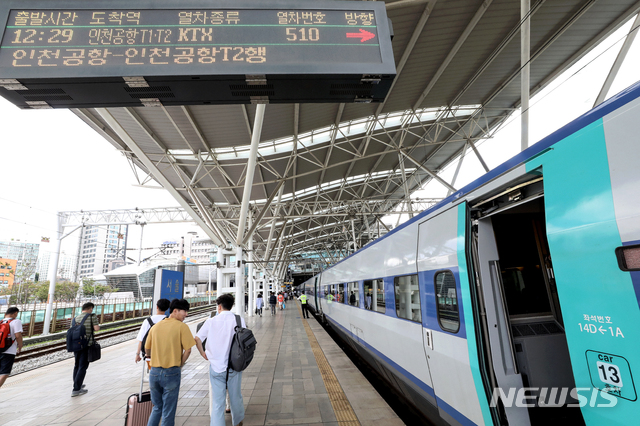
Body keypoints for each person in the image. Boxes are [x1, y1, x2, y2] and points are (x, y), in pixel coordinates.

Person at [195, 294, 246, 426]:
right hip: (235, 366)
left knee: (218, 403)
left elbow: (197, 338)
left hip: (216, 368)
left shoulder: (211, 321)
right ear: (231, 306)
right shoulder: (239, 320)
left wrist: (203, 353)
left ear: (219, 306)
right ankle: (238, 422)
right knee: (236, 398)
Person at [145, 299, 196, 426]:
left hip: (154, 372)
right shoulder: (182, 327)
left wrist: (154, 357)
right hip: (171, 372)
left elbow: (147, 348)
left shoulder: (155, 327)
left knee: (157, 407)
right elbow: (188, 350)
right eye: (184, 311)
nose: (186, 314)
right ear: (175, 311)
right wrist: (180, 364)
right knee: (168, 410)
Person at [71, 302, 100, 397]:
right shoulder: (92, 316)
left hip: (76, 345)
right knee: (83, 366)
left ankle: (77, 384)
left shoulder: (75, 318)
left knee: (77, 365)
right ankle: (76, 389)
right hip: (86, 345)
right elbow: (96, 329)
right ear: (90, 308)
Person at [135, 298, 170, 364]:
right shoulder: (169, 320)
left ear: (157, 307)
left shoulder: (147, 321)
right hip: (164, 352)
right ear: (167, 309)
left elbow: (141, 339)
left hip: (149, 353)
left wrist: (137, 354)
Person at [0, 307, 23, 388]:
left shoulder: (1, 321)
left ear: (5, 314)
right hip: (9, 351)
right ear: (15, 313)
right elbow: (18, 335)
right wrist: (20, 346)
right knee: (4, 373)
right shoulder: (16, 321)